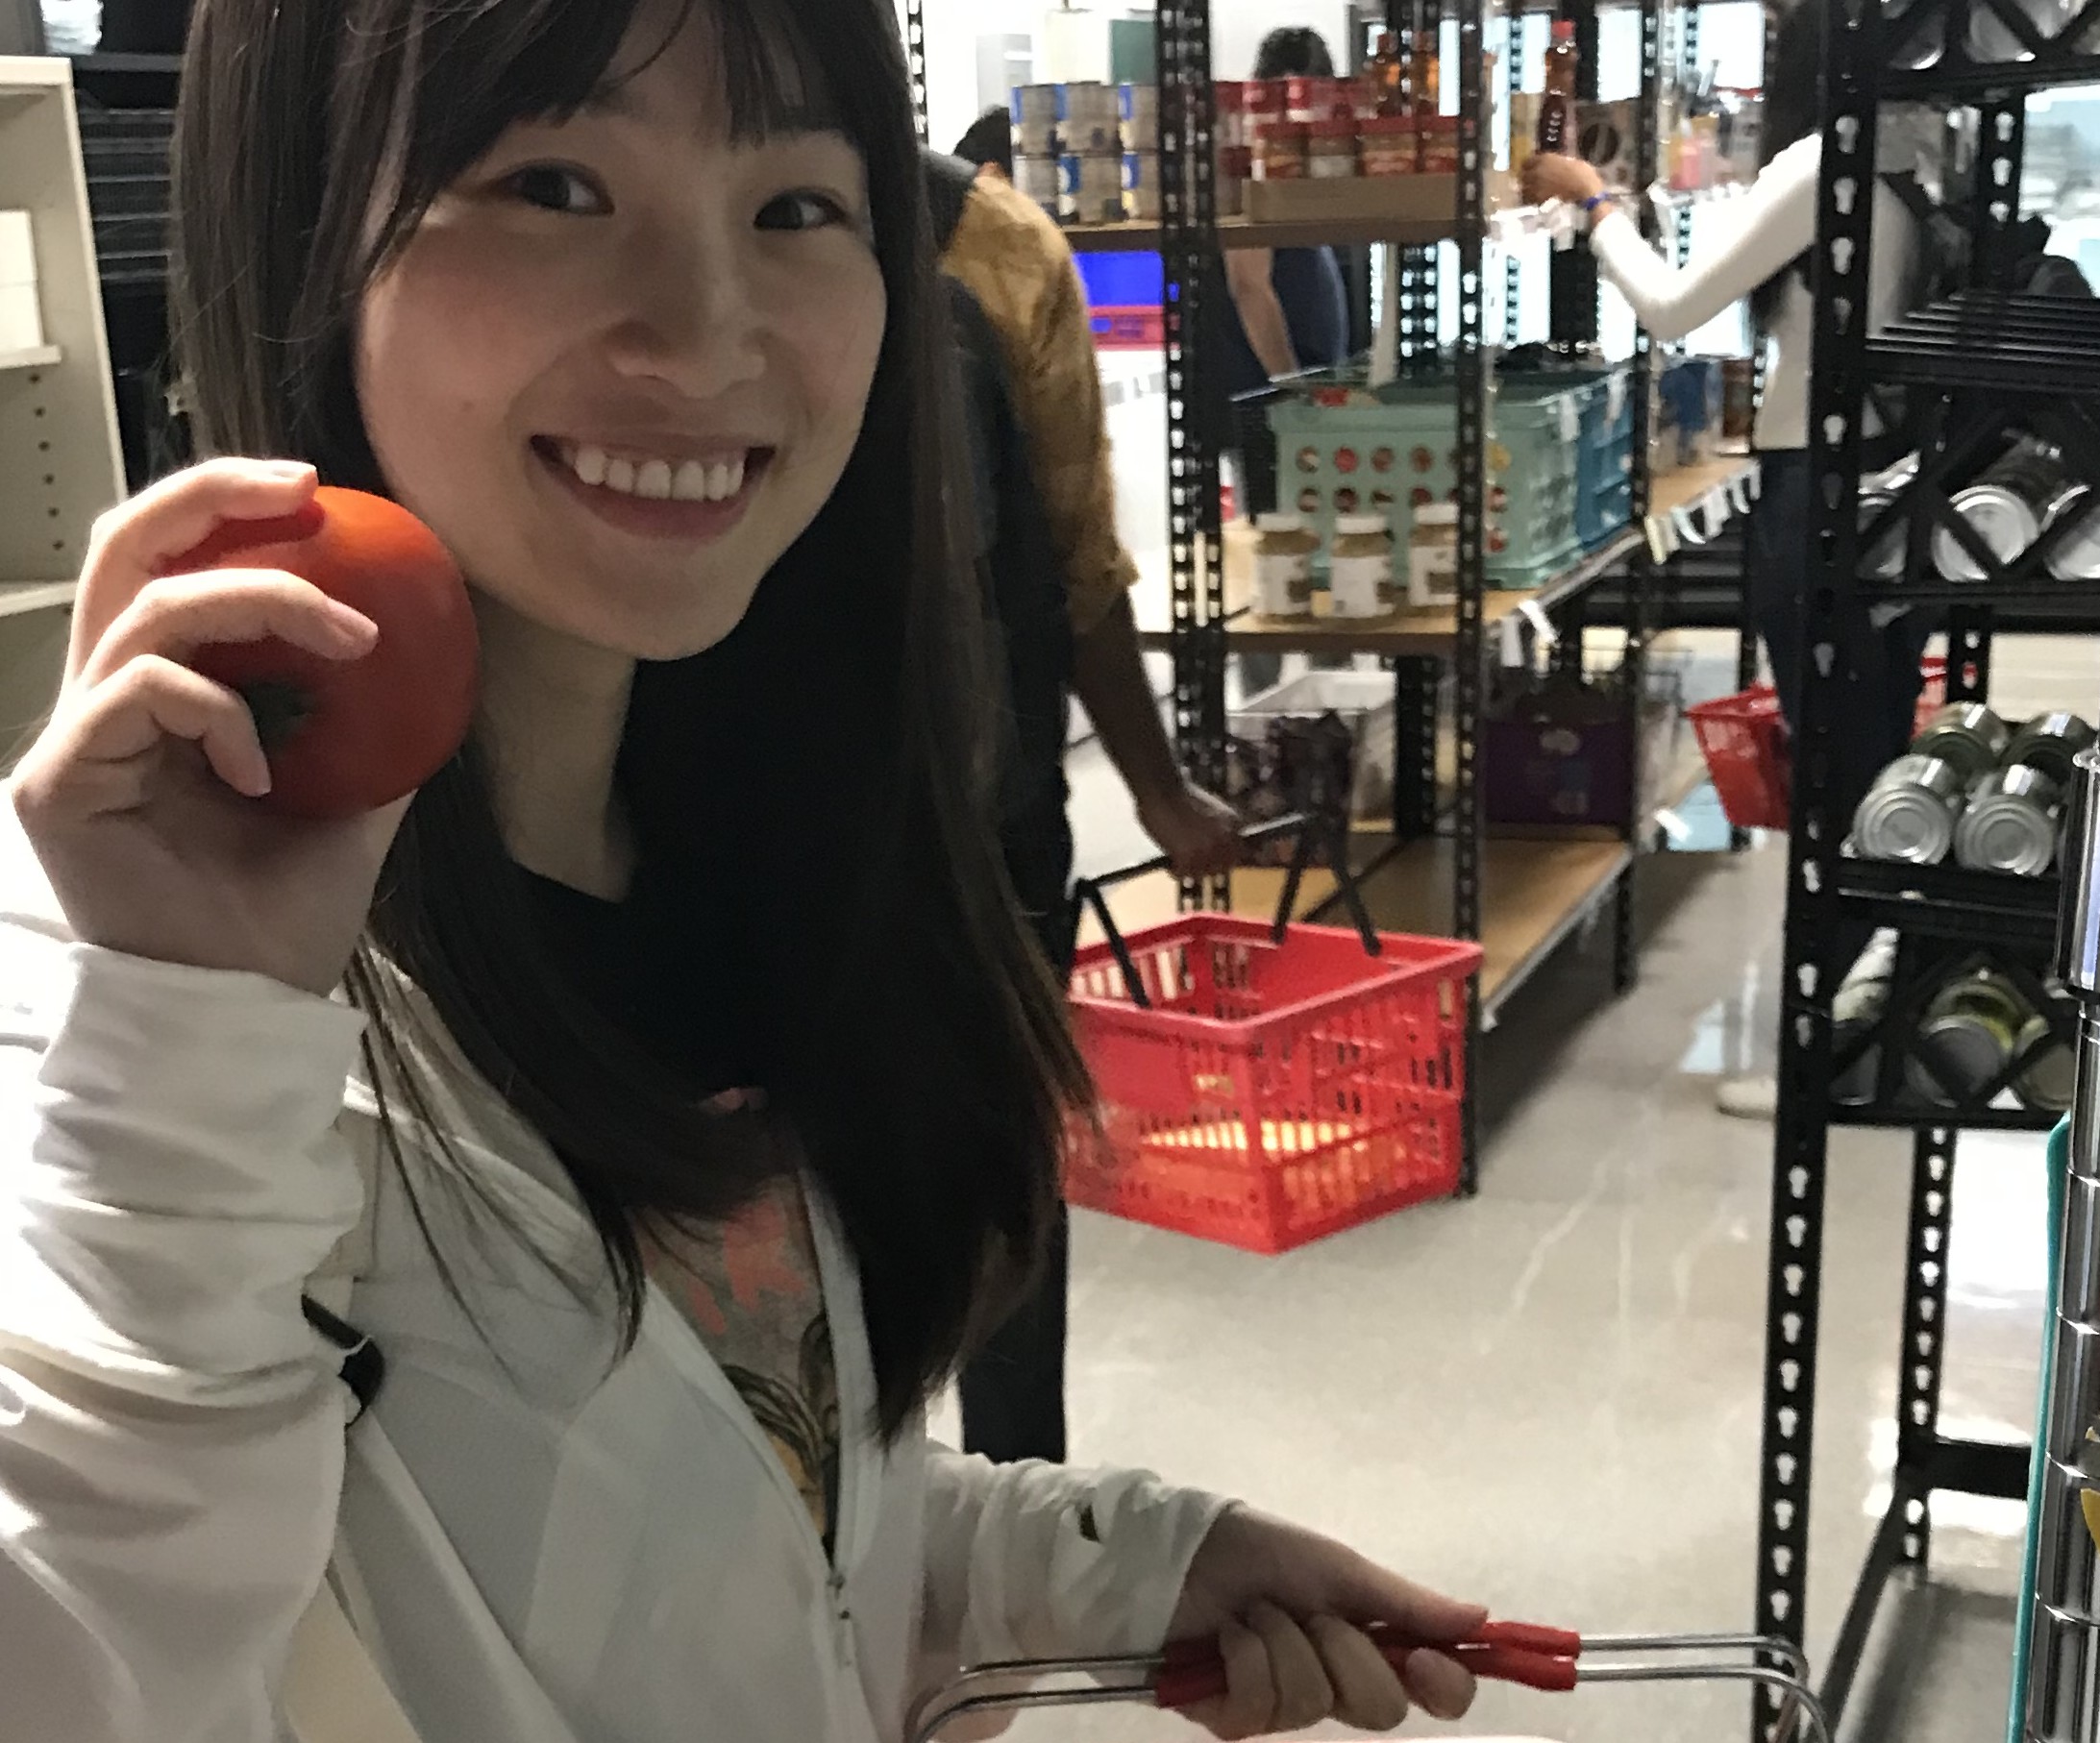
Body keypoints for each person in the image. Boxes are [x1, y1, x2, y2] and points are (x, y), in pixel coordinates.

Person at [0, 2, 1492, 1737]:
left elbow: (756, 1513)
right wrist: (186, 1049)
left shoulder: (755, 851)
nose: (709, 337)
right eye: (554, 182)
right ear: (308, 228)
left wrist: (1130, 1559)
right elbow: (94, 1673)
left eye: (798, 205)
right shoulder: (120, 1011)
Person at [1521, 0, 1939, 1118]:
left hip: (1817, 493)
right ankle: (1865, 1016)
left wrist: (1595, 204)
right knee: (1866, 752)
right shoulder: (1902, 163)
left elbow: (1670, 309)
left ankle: (1827, 1053)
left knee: (1839, 772)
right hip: (1878, 484)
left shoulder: (1815, 166)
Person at [926, 132, 1239, 1466]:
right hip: (984, 813)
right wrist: (1161, 792)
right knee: (999, 1179)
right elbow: (1076, 570)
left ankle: (830, 1547)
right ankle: (1010, 1510)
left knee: (766, 1197)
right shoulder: (995, 244)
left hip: (746, 819)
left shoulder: (652, 213)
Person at [1219, 27, 1353, 510]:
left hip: (1304, 389)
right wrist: (1292, 388)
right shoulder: (1253, 161)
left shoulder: (1298, 163)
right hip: (1272, 403)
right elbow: (1249, 286)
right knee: (1285, 541)